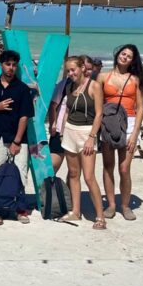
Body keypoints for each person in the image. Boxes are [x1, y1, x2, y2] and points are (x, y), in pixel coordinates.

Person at [0, 50, 35, 224]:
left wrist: (17, 141)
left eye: (14, 65)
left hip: (17, 140)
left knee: (20, 175)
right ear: (1, 65)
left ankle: (20, 210)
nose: (11, 68)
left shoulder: (22, 89)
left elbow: (24, 116)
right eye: (8, 64)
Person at [98, 44, 143, 221]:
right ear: (117, 54)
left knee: (124, 168)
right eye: (123, 53)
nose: (125, 57)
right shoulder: (103, 77)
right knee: (108, 166)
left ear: (132, 61)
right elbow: (97, 101)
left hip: (130, 122)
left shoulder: (135, 79)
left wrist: (135, 134)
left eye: (129, 56)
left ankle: (125, 206)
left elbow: (140, 108)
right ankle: (110, 205)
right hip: (109, 122)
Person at [59, 56, 106, 229]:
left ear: (81, 68)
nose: (71, 73)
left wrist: (92, 137)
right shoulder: (70, 86)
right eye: (68, 71)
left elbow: (99, 114)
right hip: (70, 132)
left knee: (88, 176)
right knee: (73, 173)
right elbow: (67, 110)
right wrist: (63, 130)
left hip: (87, 133)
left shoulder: (94, 86)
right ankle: (76, 212)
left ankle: (100, 216)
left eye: (73, 70)